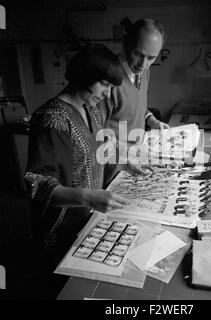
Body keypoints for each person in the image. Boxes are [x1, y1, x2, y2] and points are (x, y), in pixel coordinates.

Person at [24, 46, 139, 298]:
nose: (108, 94)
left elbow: (97, 153)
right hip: (61, 230)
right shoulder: (52, 119)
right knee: (63, 290)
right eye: (104, 84)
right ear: (84, 75)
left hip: (89, 220)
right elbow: (39, 184)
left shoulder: (90, 110)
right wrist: (89, 197)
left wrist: (122, 163)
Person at [100, 18, 170, 143]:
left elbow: (137, 106)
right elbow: (95, 134)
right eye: (138, 54)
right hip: (115, 160)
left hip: (136, 156)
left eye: (151, 58)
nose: (143, 64)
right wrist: (126, 152)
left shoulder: (144, 72)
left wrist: (150, 119)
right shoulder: (107, 79)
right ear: (126, 44)